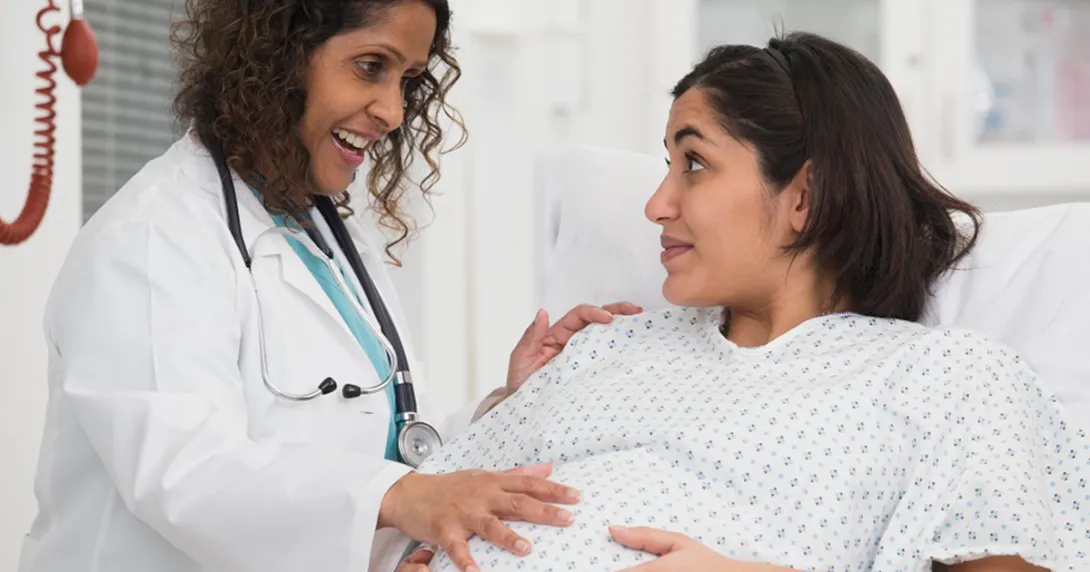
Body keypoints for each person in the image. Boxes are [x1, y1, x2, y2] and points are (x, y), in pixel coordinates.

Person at [405, 32, 1090, 572]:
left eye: (694, 163)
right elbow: (425, 505)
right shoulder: (610, 344)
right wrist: (509, 403)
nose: (656, 204)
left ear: (804, 198)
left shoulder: (953, 379)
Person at [17, 1, 642, 571]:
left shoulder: (322, 231)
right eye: (371, 67)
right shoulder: (154, 236)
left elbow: (377, 443)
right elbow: (186, 475)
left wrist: (504, 406)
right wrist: (402, 497)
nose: (393, 111)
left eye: (408, 80)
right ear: (280, 52)